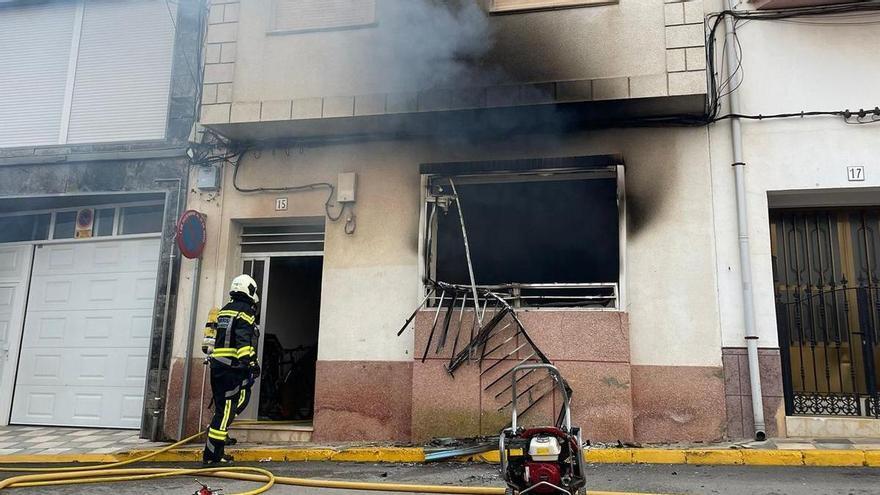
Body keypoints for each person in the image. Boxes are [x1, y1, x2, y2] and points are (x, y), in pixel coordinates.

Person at [202, 274, 261, 466]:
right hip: (232, 368)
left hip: (219, 367)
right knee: (226, 410)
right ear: (249, 290)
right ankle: (212, 456)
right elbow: (243, 339)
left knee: (229, 406)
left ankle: (218, 440)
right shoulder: (245, 311)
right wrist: (250, 363)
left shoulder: (225, 310)